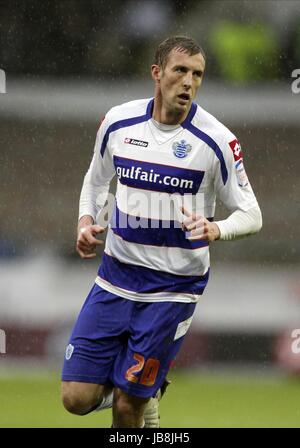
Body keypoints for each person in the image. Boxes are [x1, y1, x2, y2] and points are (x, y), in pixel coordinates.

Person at [61, 35, 262, 428]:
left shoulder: (217, 141)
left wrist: (217, 228)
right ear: (157, 73)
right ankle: (138, 391)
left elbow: (252, 214)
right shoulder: (118, 121)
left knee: (126, 410)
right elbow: (96, 181)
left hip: (171, 290)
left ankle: (137, 396)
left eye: (198, 74)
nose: (189, 82)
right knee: (75, 399)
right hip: (113, 280)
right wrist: (86, 220)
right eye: (180, 71)